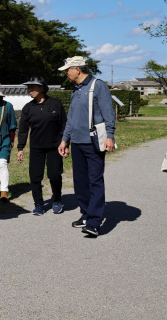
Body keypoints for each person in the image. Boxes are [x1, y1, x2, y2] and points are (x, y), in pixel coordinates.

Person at [58, 56, 116, 238]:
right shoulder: (75, 90)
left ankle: (94, 222)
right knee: (80, 182)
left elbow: (108, 113)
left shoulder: (97, 86)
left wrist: (110, 136)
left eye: (68, 70)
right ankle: (85, 214)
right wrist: (64, 139)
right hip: (77, 142)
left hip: (93, 141)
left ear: (77, 69)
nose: (66, 73)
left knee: (95, 180)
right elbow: (71, 118)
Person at [17, 76, 67, 216]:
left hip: (55, 146)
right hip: (36, 147)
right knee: (35, 177)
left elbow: (64, 125)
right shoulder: (28, 108)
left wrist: (66, 143)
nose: (30, 90)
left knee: (54, 175)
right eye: (29, 87)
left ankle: (57, 200)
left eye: (33, 87)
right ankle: (38, 204)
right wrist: (21, 148)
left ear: (42, 88)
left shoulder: (56, 104)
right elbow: (23, 129)